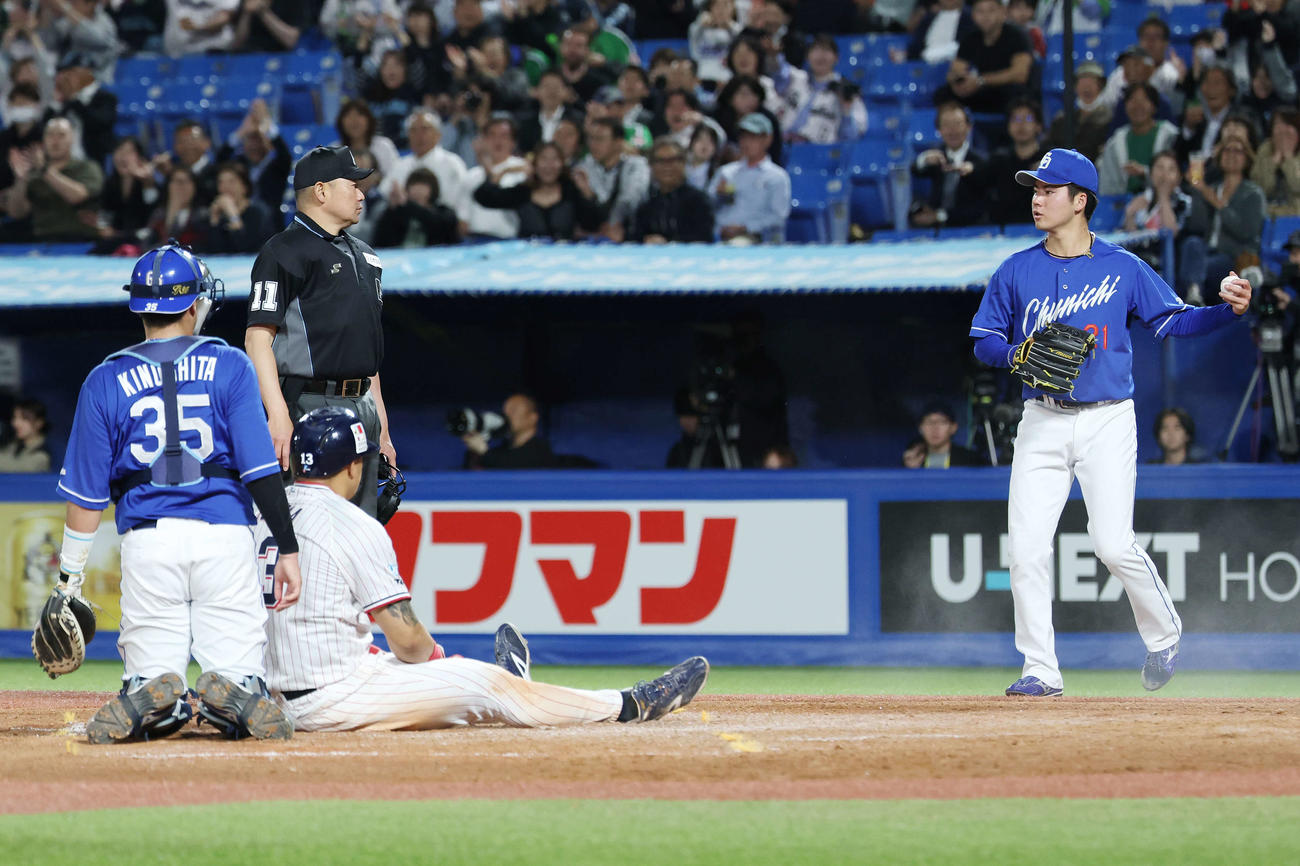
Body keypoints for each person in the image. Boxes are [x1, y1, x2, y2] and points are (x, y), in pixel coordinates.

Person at [968, 147, 1253, 698]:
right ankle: (1041, 671)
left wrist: (1228, 312)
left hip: (1106, 419)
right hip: (1041, 417)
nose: (1037, 198)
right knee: (1024, 548)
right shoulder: (1015, 269)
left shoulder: (1122, 267)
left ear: (1081, 202)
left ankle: (1164, 635)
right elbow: (983, 340)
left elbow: (1175, 321)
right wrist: (1014, 356)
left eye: (1049, 190)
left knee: (1111, 543)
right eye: (1035, 189)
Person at [258, 406, 708, 731]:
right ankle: (629, 704)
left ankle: (506, 685)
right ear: (353, 466)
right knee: (486, 683)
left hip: (276, 690)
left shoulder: (265, 514)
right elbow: (412, 643)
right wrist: (440, 665)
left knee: (400, 661)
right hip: (331, 698)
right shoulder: (352, 523)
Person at [57, 244, 302, 744]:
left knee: (149, 678)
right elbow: (259, 470)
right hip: (224, 536)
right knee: (239, 678)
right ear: (193, 305)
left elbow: (86, 497)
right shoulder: (230, 364)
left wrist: (68, 582)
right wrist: (287, 545)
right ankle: (231, 692)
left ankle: (153, 694)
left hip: (149, 542)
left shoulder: (104, 378)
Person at [244, 145, 397, 520]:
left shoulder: (366, 255)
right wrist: (277, 413)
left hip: (362, 403)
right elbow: (256, 339)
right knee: (310, 529)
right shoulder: (283, 252)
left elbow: (367, 351)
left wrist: (384, 430)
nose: (362, 194)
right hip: (309, 406)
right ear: (322, 191)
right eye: (353, 184)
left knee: (361, 532)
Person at [1184, 136, 1266, 302]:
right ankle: (1194, 293)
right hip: (1207, 252)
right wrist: (1196, 191)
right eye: (1227, 150)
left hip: (1234, 256)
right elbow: (1196, 225)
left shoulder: (1253, 193)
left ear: (1247, 159)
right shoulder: (1213, 188)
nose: (1231, 154)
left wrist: (1216, 201)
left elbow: (1246, 232)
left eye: (1238, 151)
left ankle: (1194, 291)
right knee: (1192, 243)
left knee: (1202, 266)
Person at [4, 116, 103, 241]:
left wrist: (45, 170)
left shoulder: (87, 167)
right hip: (42, 241)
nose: (55, 141)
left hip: (80, 240)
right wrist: (21, 180)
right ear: (43, 140)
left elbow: (77, 196)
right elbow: (16, 212)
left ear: (72, 139)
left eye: (61, 135)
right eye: (50, 135)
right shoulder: (33, 174)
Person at [937, 0, 1032, 116]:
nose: (985, 16)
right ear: (973, 15)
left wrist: (981, 80)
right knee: (943, 94)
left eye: (991, 10)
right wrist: (957, 82)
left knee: (1015, 94)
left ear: (1003, 12)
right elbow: (956, 69)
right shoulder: (970, 39)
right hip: (978, 89)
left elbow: (1020, 74)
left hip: (1004, 89)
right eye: (980, 11)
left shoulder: (1018, 36)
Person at [710, 112, 790, 243]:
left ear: (767, 139)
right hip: (717, 233)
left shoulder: (776, 176)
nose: (746, 142)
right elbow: (707, 206)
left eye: (753, 137)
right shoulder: (725, 172)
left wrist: (745, 227)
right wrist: (718, 195)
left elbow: (778, 217)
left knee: (735, 246)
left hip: (753, 236)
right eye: (743, 137)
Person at [910, 101, 989, 228]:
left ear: (968, 127)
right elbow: (915, 169)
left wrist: (939, 215)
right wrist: (924, 159)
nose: (952, 130)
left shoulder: (980, 160)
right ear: (939, 130)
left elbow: (981, 205)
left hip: (971, 227)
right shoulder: (935, 156)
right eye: (946, 125)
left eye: (957, 124)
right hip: (935, 229)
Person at [573, 115, 650, 240]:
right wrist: (589, 195)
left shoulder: (636, 165)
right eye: (591, 139)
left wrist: (612, 225)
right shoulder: (584, 167)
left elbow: (629, 202)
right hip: (591, 238)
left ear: (618, 142)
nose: (593, 144)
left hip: (630, 235)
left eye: (600, 139)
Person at [1098, 83, 1179, 196]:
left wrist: (1145, 173)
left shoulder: (1172, 136)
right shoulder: (1115, 142)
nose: (1138, 106)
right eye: (1132, 100)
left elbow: (1176, 176)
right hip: (1123, 206)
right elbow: (1107, 185)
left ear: (1154, 107)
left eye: (1144, 100)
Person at [630, 137, 715, 243]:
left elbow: (704, 237)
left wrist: (668, 242)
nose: (666, 167)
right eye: (660, 161)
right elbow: (635, 237)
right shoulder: (647, 206)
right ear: (651, 166)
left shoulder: (699, 201)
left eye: (672, 160)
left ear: (684, 163)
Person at [44, 51, 117, 167]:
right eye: (66, 73)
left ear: (88, 73)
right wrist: (57, 102)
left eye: (72, 72)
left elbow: (100, 123)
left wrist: (74, 100)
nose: (68, 77)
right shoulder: (64, 101)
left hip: (91, 164)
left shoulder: (105, 98)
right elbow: (45, 127)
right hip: (61, 164)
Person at [986, 97, 1046, 227]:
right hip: (1004, 232)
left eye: (1028, 119)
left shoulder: (1050, 159)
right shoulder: (998, 159)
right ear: (1008, 126)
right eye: (1016, 119)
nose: (1021, 125)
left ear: (1039, 126)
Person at [463, 392, 559, 469]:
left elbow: (516, 467)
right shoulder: (499, 452)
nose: (507, 415)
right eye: (505, 410)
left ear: (532, 418)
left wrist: (484, 451)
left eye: (513, 410)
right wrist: (474, 450)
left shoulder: (541, 451)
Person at [1043, 60, 1112, 164]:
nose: (1087, 87)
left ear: (1100, 86)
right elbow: (1049, 147)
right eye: (1082, 81)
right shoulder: (1062, 119)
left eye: (1092, 81)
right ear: (1075, 86)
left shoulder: (1110, 119)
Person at [373, 167, 460, 247]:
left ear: (433, 188)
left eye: (423, 185)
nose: (417, 189)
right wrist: (392, 209)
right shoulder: (399, 213)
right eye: (414, 184)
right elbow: (381, 240)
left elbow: (437, 224)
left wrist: (407, 203)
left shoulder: (444, 212)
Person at [202, 161, 277, 254]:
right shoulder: (217, 213)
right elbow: (213, 252)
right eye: (221, 182)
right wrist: (214, 220)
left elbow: (248, 250)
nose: (225, 187)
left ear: (245, 187)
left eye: (232, 182)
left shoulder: (259, 212)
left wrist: (233, 216)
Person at [1251, 107, 1300, 217]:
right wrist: (1275, 159)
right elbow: (1260, 188)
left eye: (1287, 124)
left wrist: (1288, 156)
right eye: (1277, 125)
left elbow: (1297, 185)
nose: (1282, 130)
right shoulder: (1265, 149)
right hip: (1267, 215)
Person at [901, 404, 982, 468]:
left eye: (942, 422)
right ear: (920, 428)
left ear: (953, 427)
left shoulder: (970, 460)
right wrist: (910, 471)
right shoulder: (912, 459)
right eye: (929, 422)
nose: (935, 428)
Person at [0, 398, 51, 472]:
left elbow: (22, 468)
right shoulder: (12, 444)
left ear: (39, 423)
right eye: (15, 418)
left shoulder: (44, 452)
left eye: (24, 419)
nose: (16, 423)